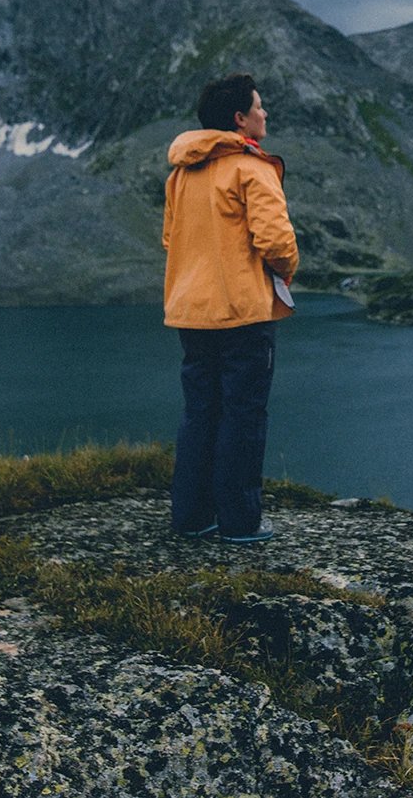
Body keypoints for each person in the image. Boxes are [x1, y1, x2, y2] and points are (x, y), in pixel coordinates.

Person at [161, 72, 298, 544]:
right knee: (243, 413)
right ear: (240, 119)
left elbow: (169, 239)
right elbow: (276, 241)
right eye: (259, 107)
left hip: (190, 313)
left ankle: (193, 516)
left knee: (200, 411)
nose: (265, 114)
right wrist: (284, 273)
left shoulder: (180, 174)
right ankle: (240, 521)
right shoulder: (251, 167)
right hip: (242, 312)